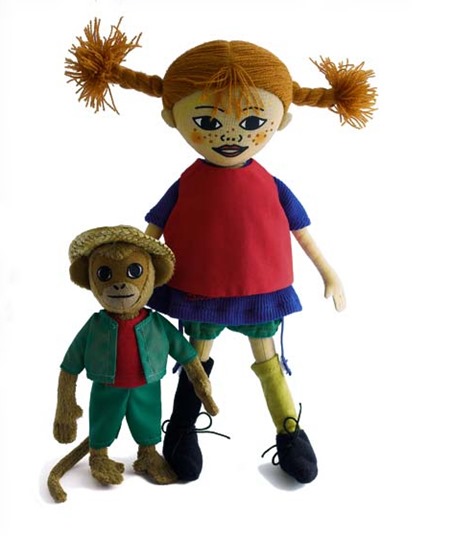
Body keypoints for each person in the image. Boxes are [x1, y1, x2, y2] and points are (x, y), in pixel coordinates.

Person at [65, 18, 376, 483]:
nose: (231, 135)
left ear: (280, 121)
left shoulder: (271, 185)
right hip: (199, 289)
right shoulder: (187, 183)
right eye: (208, 122)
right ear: (173, 119)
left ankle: (288, 430)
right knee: (195, 359)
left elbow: (302, 231)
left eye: (252, 122)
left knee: (268, 362)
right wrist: (131, 272)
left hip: (259, 289)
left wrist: (329, 272)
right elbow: (149, 238)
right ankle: (181, 428)